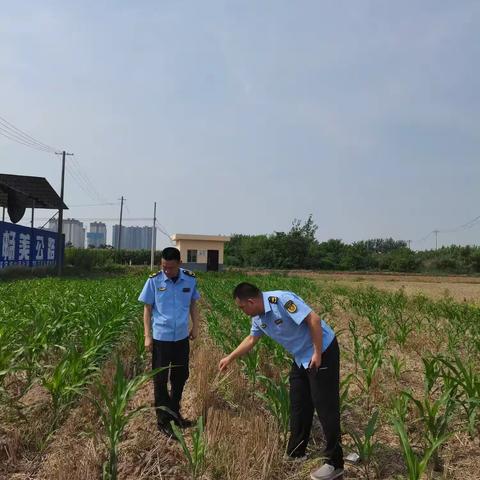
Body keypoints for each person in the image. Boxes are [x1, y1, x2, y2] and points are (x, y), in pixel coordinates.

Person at [218, 282, 344, 480]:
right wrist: (230, 357)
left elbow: (314, 319)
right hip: (301, 357)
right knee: (299, 404)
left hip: (323, 350)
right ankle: (296, 453)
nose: (242, 311)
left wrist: (318, 353)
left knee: (325, 407)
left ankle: (334, 463)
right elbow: (251, 339)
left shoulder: (281, 300)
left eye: (242, 307)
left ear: (251, 301)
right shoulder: (258, 318)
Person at [138, 247, 201, 437]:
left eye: (171, 268)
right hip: (161, 339)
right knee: (160, 380)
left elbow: (193, 304)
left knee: (181, 376)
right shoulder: (154, 281)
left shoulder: (190, 279)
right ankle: (163, 420)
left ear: (179, 264)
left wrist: (196, 326)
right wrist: (147, 336)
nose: (167, 271)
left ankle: (175, 414)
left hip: (181, 338)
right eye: (164, 267)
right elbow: (147, 309)